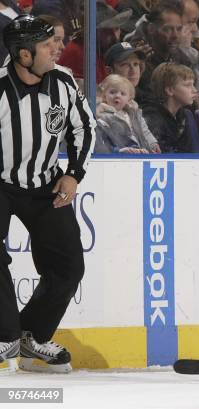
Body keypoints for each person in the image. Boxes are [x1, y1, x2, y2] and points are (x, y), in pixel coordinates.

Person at [0, 15, 95, 372]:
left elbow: (84, 130)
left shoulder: (63, 81)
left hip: (45, 184)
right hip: (1, 183)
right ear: (24, 55)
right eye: (47, 43)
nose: (58, 47)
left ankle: (31, 335)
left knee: (69, 267)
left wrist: (73, 175)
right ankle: (5, 335)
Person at [95, 74, 161, 154]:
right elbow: (102, 141)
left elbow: (144, 131)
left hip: (141, 153)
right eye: (112, 92)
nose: (117, 96)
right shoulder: (101, 116)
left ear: (129, 99)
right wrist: (117, 151)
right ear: (104, 95)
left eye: (123, 94)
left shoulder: (134, 114)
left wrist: (152, 143)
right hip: (120, 155)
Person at [142, 62, 195, 153]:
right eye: (187, 85)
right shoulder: (152, 117)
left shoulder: (184, 115)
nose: (194, 90)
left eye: (193, 84)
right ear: (170, 90)